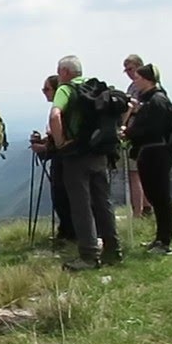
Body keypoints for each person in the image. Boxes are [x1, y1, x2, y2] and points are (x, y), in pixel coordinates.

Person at [49, 55, 122, 270]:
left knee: (81, 205)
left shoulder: (66, 89)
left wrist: (61, 143)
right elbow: (128, 105)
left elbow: (55, 116)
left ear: (64, 72)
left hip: (76, 155)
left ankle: (89, 255)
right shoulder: (97, 87)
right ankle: (113, 250)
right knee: (103, 201)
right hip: (100, 151)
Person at [124, 63, 172, 254]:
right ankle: (160, 238)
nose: (134, 82)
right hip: (152, 152)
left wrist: (129, 133)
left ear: (147, 80)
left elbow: (152, 129)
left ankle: (165, 242)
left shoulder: (157, 101)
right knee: (155, 196)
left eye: (137, 78)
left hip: (156, 152)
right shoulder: (153, 100)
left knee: (161, 197)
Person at [31, 75, 74, 246]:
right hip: (64, 160)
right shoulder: (63, 110)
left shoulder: (60, 112)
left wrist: (43, 148)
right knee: (62, 197)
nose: (44, 93)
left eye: (46, 89)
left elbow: (60, 142)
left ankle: (68, 233)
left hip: (63, 162)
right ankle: (67, 232)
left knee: (63, 197)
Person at [122, 54, 151, 219]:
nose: (128, 73)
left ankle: (138, 213)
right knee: (139, 172)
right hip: (137, 133)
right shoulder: (133, 87)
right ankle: (146, 207)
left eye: (130, 69)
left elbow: (138, 108)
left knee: (135, 174)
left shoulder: (144, 87)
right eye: (126, 70)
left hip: (139, 133)